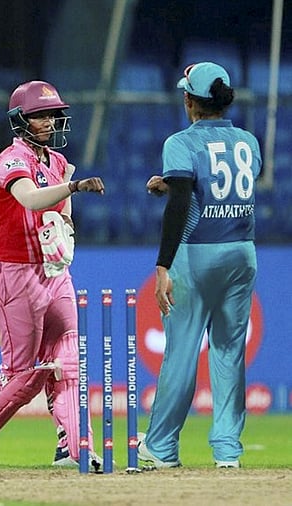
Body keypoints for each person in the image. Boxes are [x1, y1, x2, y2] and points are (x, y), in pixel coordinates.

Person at [0, 80, 105, 467]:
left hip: (54, 273)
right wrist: (74, 187)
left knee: (66, 363)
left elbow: (59, 213)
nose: (50, 121)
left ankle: (72, 448)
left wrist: (64, 229)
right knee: (20, 374)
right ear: (21, 121)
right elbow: (30, 198)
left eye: (52, 114)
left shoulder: (60, 163)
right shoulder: (10, 161)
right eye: (40, 116)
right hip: (12, 274)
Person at [139, 62, 260, 469]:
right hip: (243, 252)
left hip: (197, 253)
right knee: (229, 352)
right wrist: (172, 183)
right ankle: (228, 451)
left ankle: (161, 447)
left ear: (190, 100)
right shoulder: (248, 141)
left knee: (182, 352)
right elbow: (218, 184)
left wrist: (162, 267)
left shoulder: (180, 143)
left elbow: (181, 205)